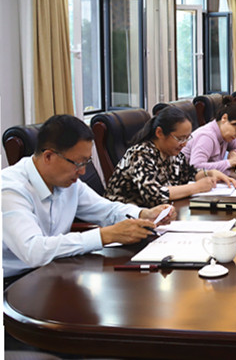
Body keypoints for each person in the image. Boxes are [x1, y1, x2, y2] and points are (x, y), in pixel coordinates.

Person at [2, 115, 176, 281]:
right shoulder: (10, 190)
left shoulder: (68, 183)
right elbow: (34, 251)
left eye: (86, 162)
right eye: (78, 163)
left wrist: (144, 214)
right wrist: (105, 235)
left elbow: (107, 210)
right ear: (48, 156)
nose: (83, 171)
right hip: (13, 281)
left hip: (53, 270)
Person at [104, 106, 236, 207]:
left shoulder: (172, 153)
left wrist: (208, 173)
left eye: (187, 138)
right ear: (159, 133)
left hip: (160, 213)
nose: (184, 144)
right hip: (125, 217)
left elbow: (188, 174)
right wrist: (197, 187)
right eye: (180, 138)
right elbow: (154, 195)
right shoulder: (140, 154)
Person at [182, 98, 236, 174]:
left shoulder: (225, 136)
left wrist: (235, 153)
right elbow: (196, 167)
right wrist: (229, 162)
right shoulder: (206, 137)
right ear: (224, 118)